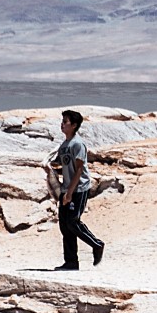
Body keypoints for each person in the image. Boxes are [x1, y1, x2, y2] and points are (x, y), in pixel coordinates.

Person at [50, 109, 105, 270]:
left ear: (74, 125)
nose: (62, 124)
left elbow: (79, 170)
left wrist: (69, 193)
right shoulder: (64, 145)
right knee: (64, 226)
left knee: (73, 222)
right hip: (66, 189)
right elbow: (62, 165)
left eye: (66, 122)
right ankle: (71, 262)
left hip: (78, 189)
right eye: (62, 121)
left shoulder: (78, 144)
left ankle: (97, 244)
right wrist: (50, 169)